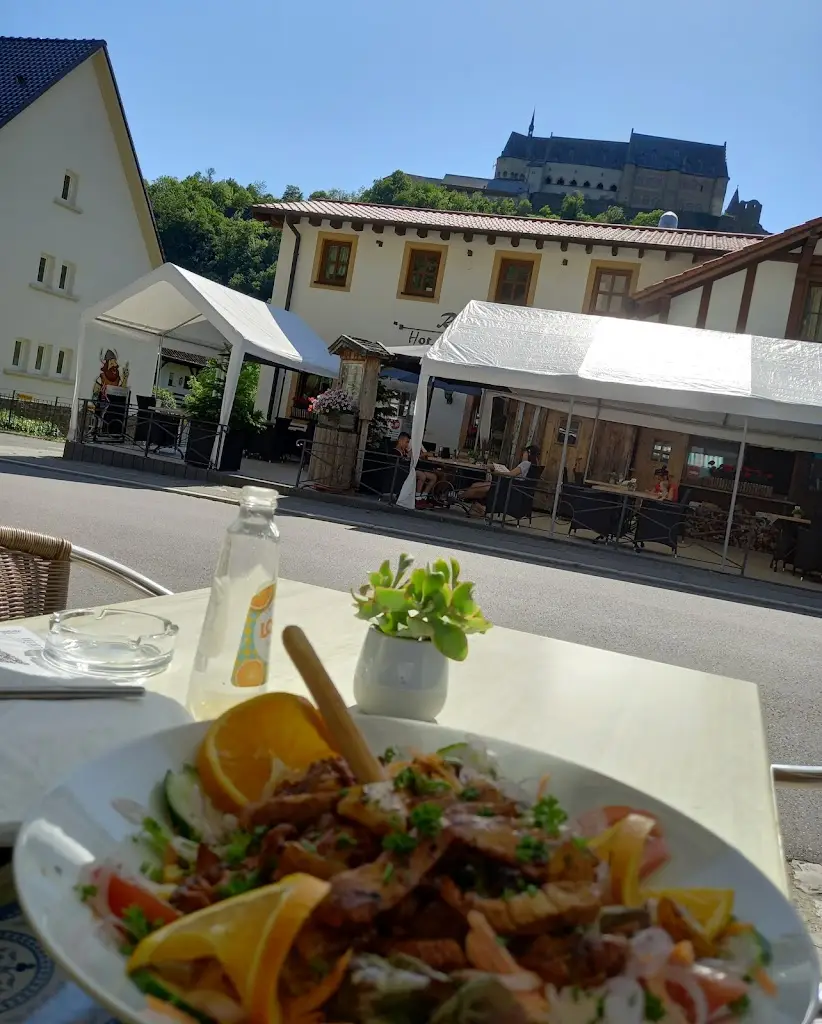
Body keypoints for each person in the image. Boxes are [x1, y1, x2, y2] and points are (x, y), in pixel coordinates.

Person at [458, 445, 541, 509]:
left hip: (506, 489)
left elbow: (511, 474)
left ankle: (457, 498)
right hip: (514, 490)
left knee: (475, 486)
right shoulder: (533, 467)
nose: (523, 455)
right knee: (480, 490)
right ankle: (462, 499)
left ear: (529, 453)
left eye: (524, 453)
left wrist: (497, 472)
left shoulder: (525, 464)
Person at [393, 432, 437, 500]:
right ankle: (417, 497)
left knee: (433, 477)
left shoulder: (405, 450)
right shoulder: (397, 451)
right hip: (405, 469)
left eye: (408, 442)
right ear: (400, 440)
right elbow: (402, 462)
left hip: (413, 467)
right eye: (406, 442)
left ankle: (424, 496)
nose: (407, 444)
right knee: (422, 476)